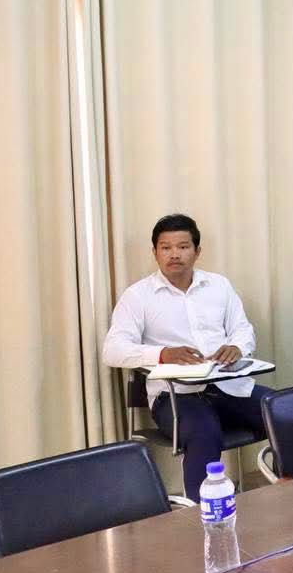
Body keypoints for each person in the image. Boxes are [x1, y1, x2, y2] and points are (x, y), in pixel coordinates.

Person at [102, 214, 272, 500]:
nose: (174, 254)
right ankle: (202, 513)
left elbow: (243, 330)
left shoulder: (219, 286)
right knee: (204, 431)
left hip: (227, 387)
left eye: (183, 247)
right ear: (154, 252)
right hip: (175, 396)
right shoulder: (138, 296)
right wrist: (163, 354)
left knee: (283, 410)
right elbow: (112, 350)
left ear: (197, 251)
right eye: (166, 247)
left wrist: (237, 347)